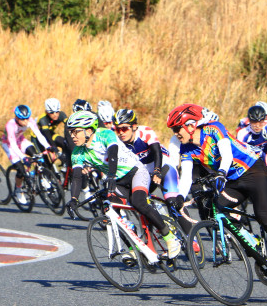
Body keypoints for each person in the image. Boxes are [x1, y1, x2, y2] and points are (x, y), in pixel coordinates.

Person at [167, 103, 267, 285]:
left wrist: (220, 173)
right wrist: (180, 196)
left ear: (190, 125)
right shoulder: (188, 148)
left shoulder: (214, 129)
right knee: (218, 209)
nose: (175, 133)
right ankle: (253, 241)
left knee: (263, 215)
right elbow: (187, 175)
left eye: (176, 128)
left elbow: (226, 155)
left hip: (254, 171)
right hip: (235, 182)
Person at [66, 110, 181, 260]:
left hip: (135, 172)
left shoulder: (105, 134)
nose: (72, 136)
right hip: (118, 180)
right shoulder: (77, 153)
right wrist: (74, 199)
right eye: (70, 132)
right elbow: (76, 177)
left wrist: (112, 175)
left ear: (88, 130)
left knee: (139, 202)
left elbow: (113, 154)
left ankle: (170, 238)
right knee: (110, 212)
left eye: (76, 132)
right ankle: (134, 247)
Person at [112, 108, 184, 224]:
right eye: (117, 129)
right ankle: (158, 222)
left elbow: (157, 152)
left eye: (124, 128)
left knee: (172, 202)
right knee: (137, 201)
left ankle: (193, 240)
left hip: (163, 166)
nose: (121, 132)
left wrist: (157, 170)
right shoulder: (117, 143)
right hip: (143, 173)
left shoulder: (144, 132)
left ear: (134, 126)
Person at [1, 104, 52, 204]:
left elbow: (39, 135)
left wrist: (48, 146)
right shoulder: (10, 125)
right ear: (16, 117)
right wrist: (23, 157)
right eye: (23, 119)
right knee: (20, 169)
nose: (26, 122)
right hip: (9, 145)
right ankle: (18, 190)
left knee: (36, 155)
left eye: (27, 119)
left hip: (21, 140)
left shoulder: (30, 121)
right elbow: (13, 144)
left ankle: (42, 178)